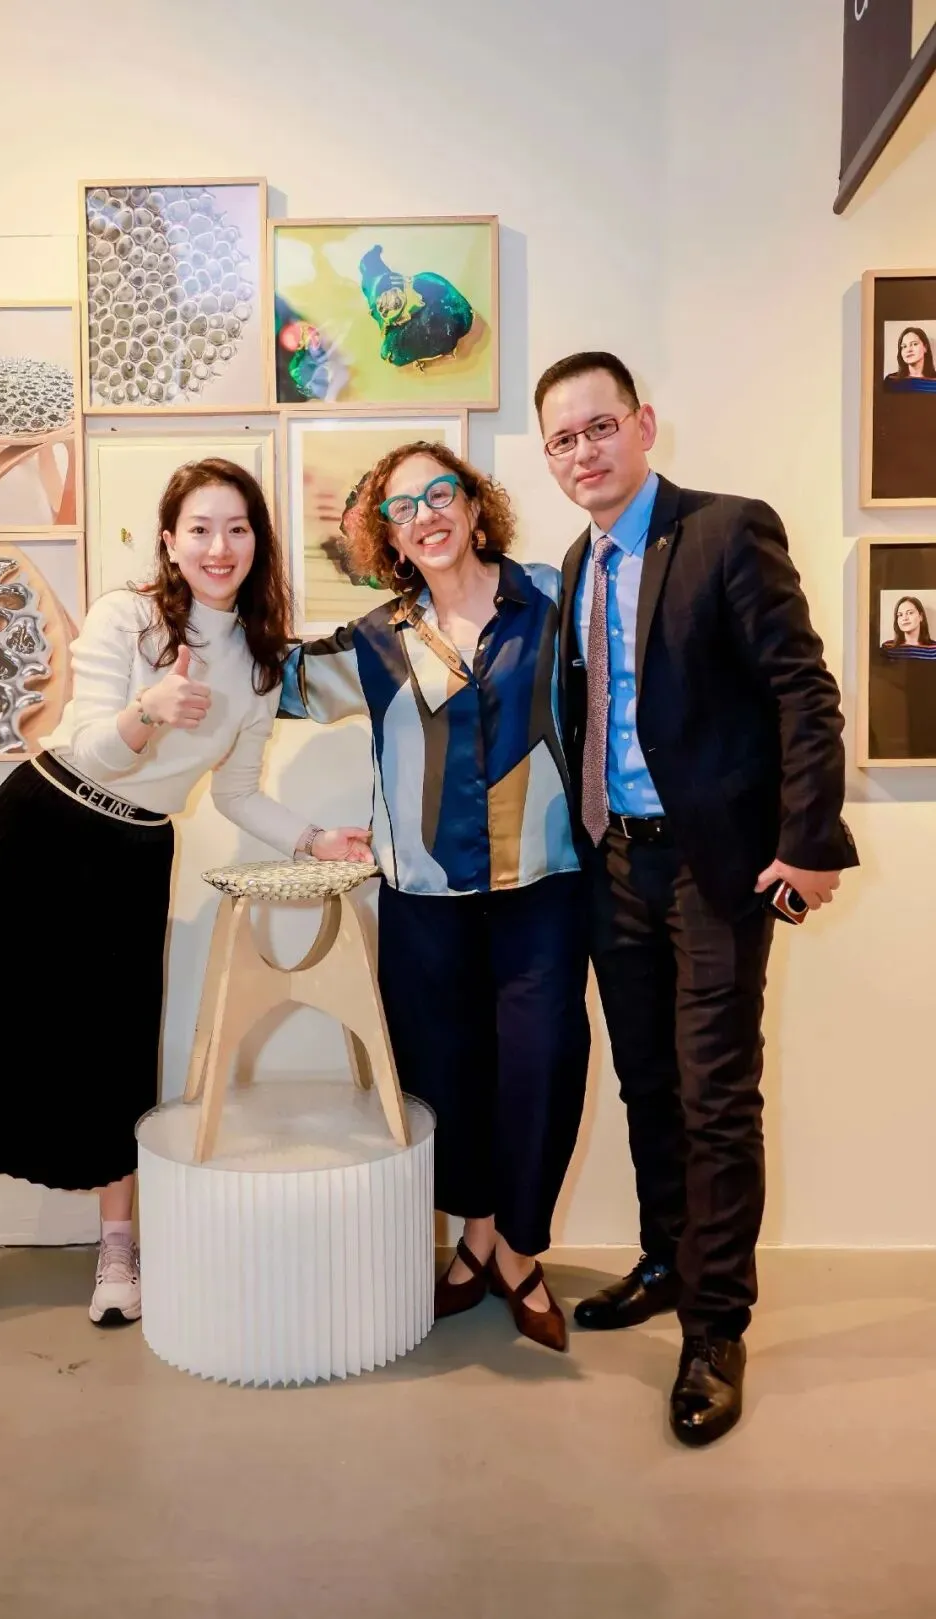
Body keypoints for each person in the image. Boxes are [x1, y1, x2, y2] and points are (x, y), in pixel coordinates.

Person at [0, 458, 371, 1330]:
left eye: (236, 527)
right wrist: (149, 710)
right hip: (42, 824)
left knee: (116, 1041)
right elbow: (90, 744)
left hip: (133, 852)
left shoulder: (260, 664)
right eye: (199, 528)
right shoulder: (127, 616)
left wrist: (314, 838)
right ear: (169, 539)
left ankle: (118, 1245)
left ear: (258, 541)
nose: (218, 546)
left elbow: (237, 793)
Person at [537, 351, 859, 1444]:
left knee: (718, 1095)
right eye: (563, 439)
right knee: (649, 1085)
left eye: (599, 427)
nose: (584, 451)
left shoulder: (725, 529)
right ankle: (670, 1259)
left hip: (714, 867)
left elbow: (804, 691)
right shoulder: (577, 564)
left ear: (644, 426)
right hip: (616, 863)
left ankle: (716, 1326)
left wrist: (808, 841)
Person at [281, 441, 591, 1353]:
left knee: (541, 1066)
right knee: (445, 1073)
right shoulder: (374, 641)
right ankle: (476, 1239)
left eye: (441, 493)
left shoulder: (554, 599)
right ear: (389, 537)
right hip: (424, 896)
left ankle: (521, 1250)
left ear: (474, 504)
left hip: (544, 883)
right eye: (404, 507)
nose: (427, 515)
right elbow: (270, 685)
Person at [883, 326, 936, 392]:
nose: (908, 350)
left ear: (925, 348)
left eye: (914, 344)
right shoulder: (891, 381)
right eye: (904, 346)